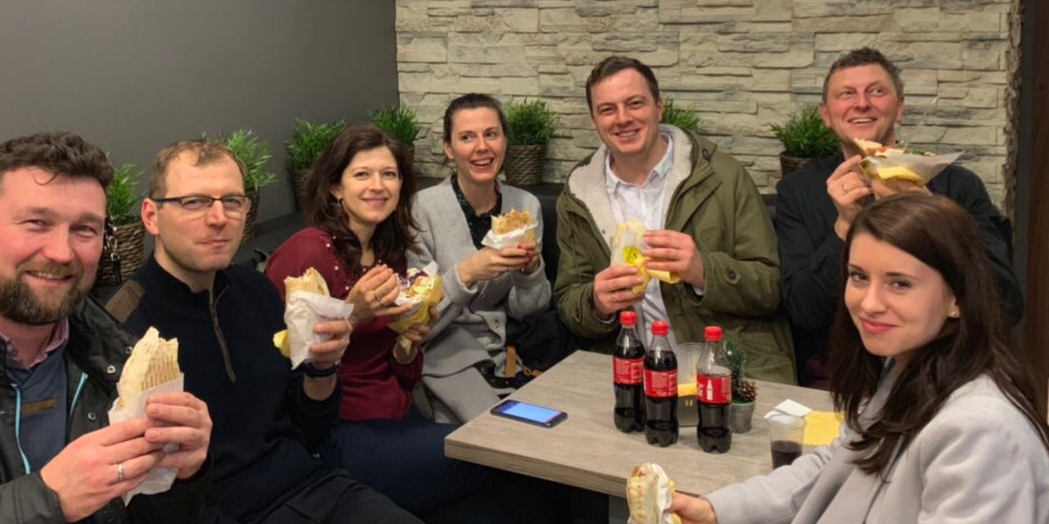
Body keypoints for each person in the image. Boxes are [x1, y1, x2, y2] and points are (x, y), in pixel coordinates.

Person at [666, 192, 1049, 524]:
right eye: (859, 276)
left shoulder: (981, 432)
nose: (869, 303)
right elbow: (837, 467)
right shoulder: (906, 371)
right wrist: (716, 510)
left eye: (900, 283)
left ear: (957, 299)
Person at [106, 139, 421, 524]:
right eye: (194, 202)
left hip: (314, 486)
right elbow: (146, 501)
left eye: (232, 201)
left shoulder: (256, 290)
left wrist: (323, 368)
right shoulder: (122, 329)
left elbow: (310, 430)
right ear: (151, 216)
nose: (218, 217)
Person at [265, 124, 569, 524]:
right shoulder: (307, 252)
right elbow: (283, 370)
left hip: (400, 417)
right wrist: (353, 314)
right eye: (362, 174)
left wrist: (408, 343)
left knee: (511, 501)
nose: (378, 186)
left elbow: (403, 372)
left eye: (389, 174)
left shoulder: (389, 254)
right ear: (336, 187)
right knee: (505, 456)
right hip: (340, 433)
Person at [0, 132, 212, 523]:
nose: (61, 253)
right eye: (36, 222)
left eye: (84, 229)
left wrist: (183, 474)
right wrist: (50, 499)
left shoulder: (117, 356)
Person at [776, 47, 1024, 386]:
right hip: (842, 377)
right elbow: (804, 310)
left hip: (945, 373)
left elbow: (1006, 304)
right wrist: (844, 227)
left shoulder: (958, 185)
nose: (861, 103)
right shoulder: (799, 190)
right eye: (846, 94)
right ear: (826, 115)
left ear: (900, 107)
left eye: (876, 91)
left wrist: (930, 218)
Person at [555, 56, 795, 382]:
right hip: (632, 373)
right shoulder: (578, 196)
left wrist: (704, 272)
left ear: (659, 107)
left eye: (635, 103)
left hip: (730, 367)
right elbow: (569, 304)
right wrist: (596, 303)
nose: (623, 119)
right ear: (594, 120)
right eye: (608, 109)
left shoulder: (723, 177)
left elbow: (772, 287)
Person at [408, 94, 552, 423]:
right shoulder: (421, 209)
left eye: (491, 134)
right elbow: (417, 323)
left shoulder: (525, 206)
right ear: (449, 148)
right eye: (467, 137)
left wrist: (530, 273)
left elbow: (528, 311)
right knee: (494, 437)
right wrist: (467, 273)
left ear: (504, 141)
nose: (482, 147)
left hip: (507, 358)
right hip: (442, 359)